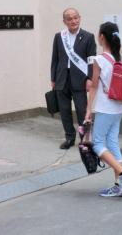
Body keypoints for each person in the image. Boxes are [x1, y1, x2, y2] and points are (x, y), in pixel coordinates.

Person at [85, 22, 122, 197]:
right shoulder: (120, 59)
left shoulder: (99, 60)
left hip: (104, 108)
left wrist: (88, 111)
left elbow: (93, 87)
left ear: (102, 37)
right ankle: (120, 186)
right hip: (117, 109)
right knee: (113, 143)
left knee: (98, 144)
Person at [51, 8, 96, 149]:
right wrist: (53, 78)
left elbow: (91, 60)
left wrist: (90, 78)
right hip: (61, 79)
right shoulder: (59, 37)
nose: (73, 21)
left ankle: (84, 140)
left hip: (80, 79)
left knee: (82, 110)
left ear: (80, 18)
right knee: (64, 110)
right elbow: (55, 59)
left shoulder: (88, 36)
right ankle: (69, 138)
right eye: (69, 19)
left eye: (75, 17)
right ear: (64, 21)